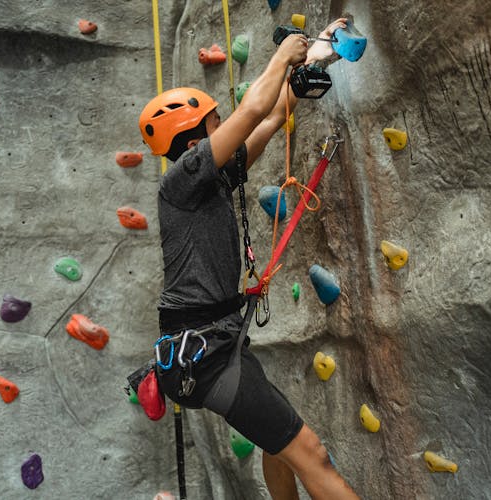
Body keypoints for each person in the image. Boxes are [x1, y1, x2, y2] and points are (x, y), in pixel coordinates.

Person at [138, 18, 359, 500]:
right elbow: (255, 106)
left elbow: (272, 115)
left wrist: (315, 58)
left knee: (278, 449)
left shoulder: (211, 181)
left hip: (218, 347)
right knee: (312, 453)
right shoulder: (180, 180)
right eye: (218, 123)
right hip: (207, 356)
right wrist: (285, 54)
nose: (228, 128)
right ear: (195, 144)